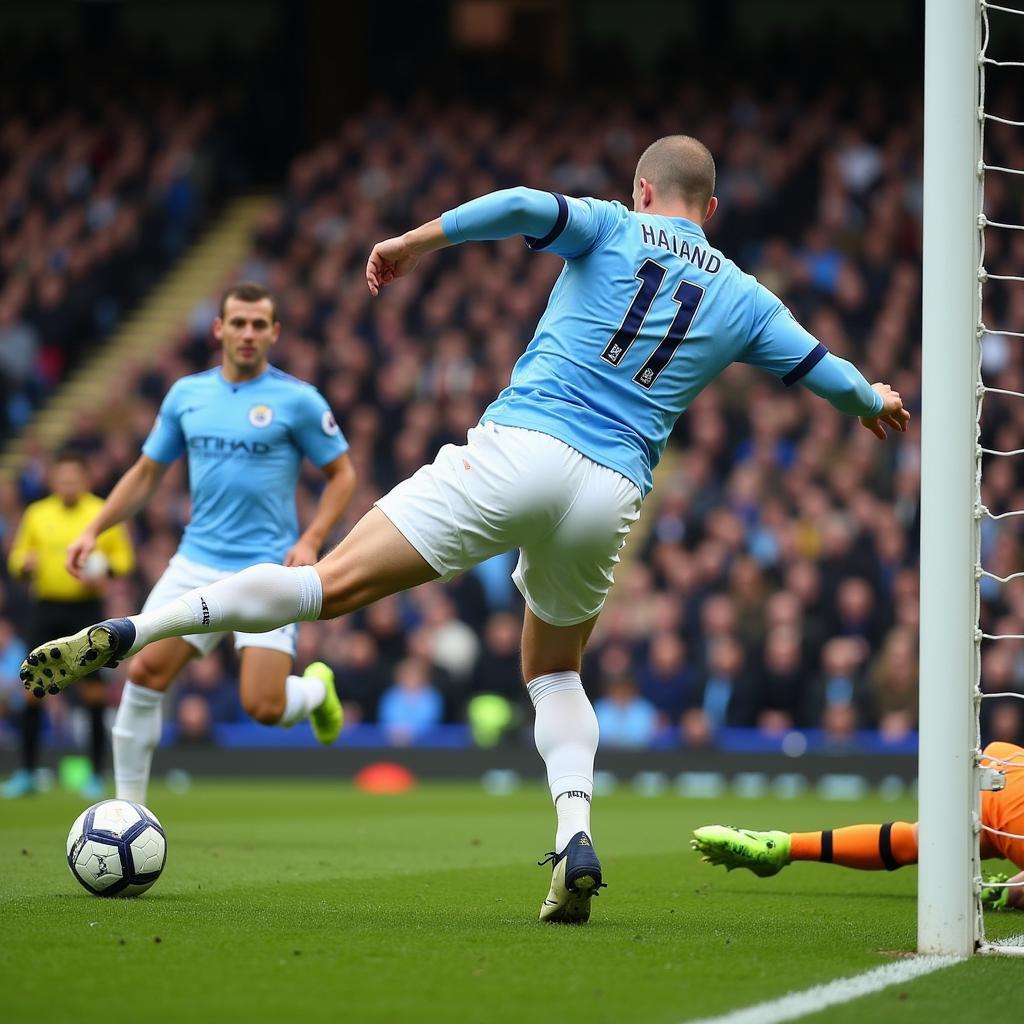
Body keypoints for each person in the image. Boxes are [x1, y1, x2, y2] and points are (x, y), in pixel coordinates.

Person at [22, 136, 909, 924]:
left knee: (323, 587)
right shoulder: (747, 295)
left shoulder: (609, 223)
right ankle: (574, 833)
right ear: (710, 210)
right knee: (555, 670)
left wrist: (415, 240)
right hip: (613, 488)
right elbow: (823, 370)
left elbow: (524, 206)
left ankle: (141, 628)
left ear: (642, 190)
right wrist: (873, 400)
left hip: (523, 446)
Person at [58, 282, 356, 805]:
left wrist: (311, 539)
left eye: (258, 324)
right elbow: (147, 473)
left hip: (266, 571)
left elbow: (343, 475)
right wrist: (93, 527)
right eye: (237, 322)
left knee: (262, 706)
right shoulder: (187, 395)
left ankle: (314, 691)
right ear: (218, 329)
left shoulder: (299, 401)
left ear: (274, 333)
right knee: (144, 671)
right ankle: (127, 812)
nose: (247, 333)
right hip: (196, 561)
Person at [691, 741, 1024, 911]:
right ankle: (1000, 894)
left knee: (913, 840)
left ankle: (782, 846)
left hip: (1002, 769)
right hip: (1014, 811)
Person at [5, 449, 134, 798]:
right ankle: (28, 773)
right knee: (32, 690)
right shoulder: (37, 514)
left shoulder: (101, 513)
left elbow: (123, 559)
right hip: (46, 608)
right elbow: (17, 557)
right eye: (61, 479)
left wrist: (104, 570)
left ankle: (94, 775)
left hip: (87, 609)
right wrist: (24, 565)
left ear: (85, 480)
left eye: (73, 479)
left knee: (93, 693)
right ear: (53, 481)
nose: (67, 484)